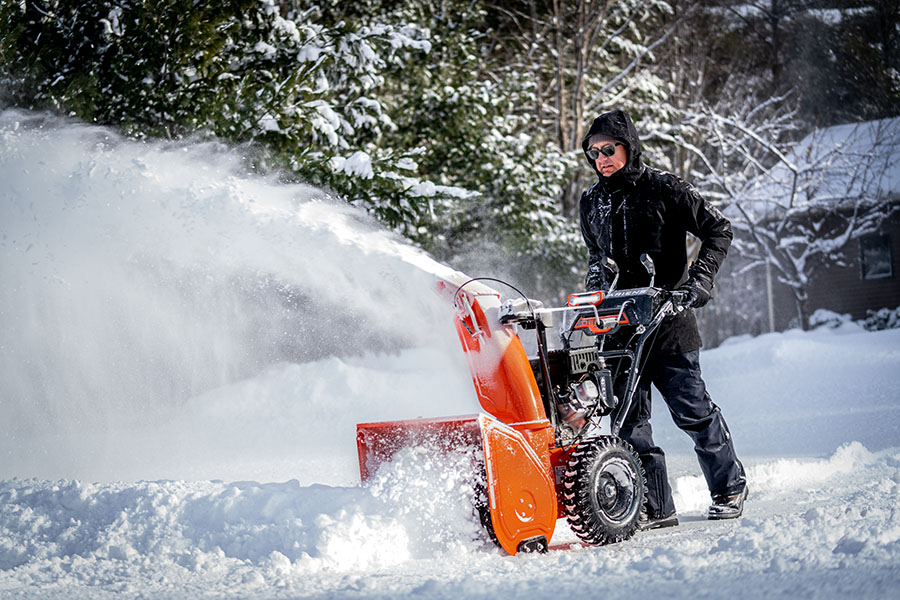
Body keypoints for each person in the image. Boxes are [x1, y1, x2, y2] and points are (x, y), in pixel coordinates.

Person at [578, 109, 747, 529]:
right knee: (631, 423)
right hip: (618, 328)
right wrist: (595, 291)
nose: (602, 158)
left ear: (628, 148)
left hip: (670, 322)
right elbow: (597, 257)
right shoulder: (591, 202)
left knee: (692, 410)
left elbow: (719, 230)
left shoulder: (665, 188)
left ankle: (729, 487)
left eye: (609, 149)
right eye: (593, 151)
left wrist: (698, 282)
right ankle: (656, 507)